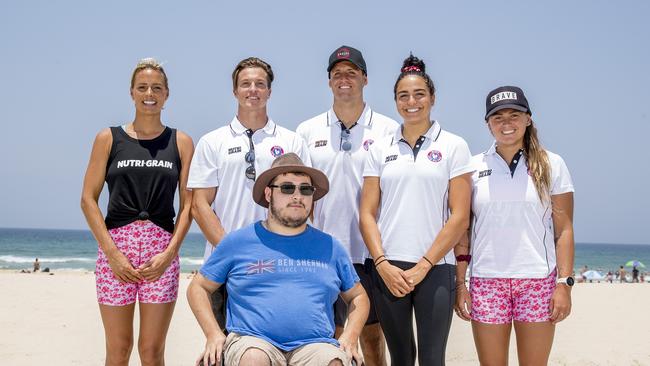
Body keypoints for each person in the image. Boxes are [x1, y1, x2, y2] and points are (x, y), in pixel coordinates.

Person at [187, 153, 369, 366]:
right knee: (253, 359)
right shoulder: (238, 242)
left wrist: (350, 335)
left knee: (334, 362)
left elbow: (358, 296)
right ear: (268, 193)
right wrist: (213, 334)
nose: (297, 196)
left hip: (314, 345)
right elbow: (198, 287)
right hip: (252, 341)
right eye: (287, 188)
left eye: (305, 189)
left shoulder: (331, 247)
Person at [359, 54, 473, 366]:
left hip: (436, 268)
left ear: (433, 98)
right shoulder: (380, 148)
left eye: (419, 94)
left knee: (432, 359)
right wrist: (381, 264)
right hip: (388, 267)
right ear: (395, 101)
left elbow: (460, 215)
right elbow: (367, 213)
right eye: (403, 95)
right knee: (401, 358)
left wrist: (424, 265)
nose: (412, 102)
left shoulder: (454, 146)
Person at [80, 58, 194, 365]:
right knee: (118, 349)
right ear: (131, 92)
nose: (149, 93)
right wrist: (113, 254)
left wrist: (169, 253)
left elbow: (188, 206)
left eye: (157, 87)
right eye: (142, 87)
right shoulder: (108, 138)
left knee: (151, 351)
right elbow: (88, 199)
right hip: (115, 251)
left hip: (161, 252)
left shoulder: (180, 142)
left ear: (167, 94)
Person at [454, 86, 575, 365]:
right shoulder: (472, 168)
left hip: (537, 281)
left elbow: (564, 230)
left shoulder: (552, 164)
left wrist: (564, 285)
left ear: (528, 118)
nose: (506, 123)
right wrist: (461, 284)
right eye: (498, 117)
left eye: (514, 115)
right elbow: (463, 234)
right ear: (488, 124)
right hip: (486, 282)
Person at [188, 57, 310, 331]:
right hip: (225, 265)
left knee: (278, 348)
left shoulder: (292, 141)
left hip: (281, 262)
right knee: (224, 348)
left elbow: (302, 202)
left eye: (259, 84)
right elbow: (199, 205)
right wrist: (236, 253)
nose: (252, 90)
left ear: (269, 91)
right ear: (234, 91)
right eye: (245, 84)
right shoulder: (212, 141)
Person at [296, 45, 398, 366]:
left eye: (351, 73)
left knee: (371, 337)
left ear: (364, 79)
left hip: (372, 252)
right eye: (337, 74)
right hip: (325, 250)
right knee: (333, 336)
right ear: (329, 82)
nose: (344, 79)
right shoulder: (307, 130)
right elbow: (302, 196)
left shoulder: (389, 129)